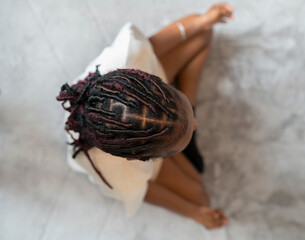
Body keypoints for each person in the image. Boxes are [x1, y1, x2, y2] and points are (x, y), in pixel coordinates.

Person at [56, 3, 234, 229]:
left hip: (136, 98)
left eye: (191, 120)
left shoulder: (131, 56)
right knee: (201, 200)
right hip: (133, 141)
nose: (199, 124)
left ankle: (180, 132)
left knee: (203, 32)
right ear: (136, 158)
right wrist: (196, 213)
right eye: (192, 124)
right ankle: (180, 134)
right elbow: (146, 191)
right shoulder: (119, 174)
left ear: (151, 78)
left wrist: (204, 20)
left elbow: (162, 39)